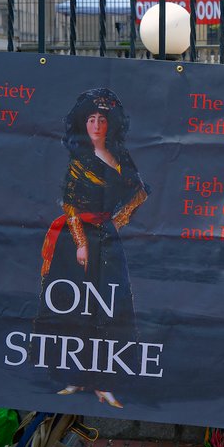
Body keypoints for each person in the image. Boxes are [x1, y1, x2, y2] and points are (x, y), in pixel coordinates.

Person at [38, 88, 148, 409]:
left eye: (102, 119)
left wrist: (119, 220)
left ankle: (105, 382)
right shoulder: (79, 160)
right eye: (91, 119)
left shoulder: (120, 157)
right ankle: (74, 376)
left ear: (110, 124)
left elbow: (139, 191)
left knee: (110, 305)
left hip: (108, 239)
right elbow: (70, 205)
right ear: (84, 124)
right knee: (76, 306)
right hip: (74, 244)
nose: (97, 125)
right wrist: (81, 244)